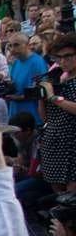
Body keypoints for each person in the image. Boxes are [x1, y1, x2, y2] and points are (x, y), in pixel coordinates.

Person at [39, 32, 76, 193]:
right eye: (58, 57)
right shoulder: (57, 80)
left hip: (73, 144)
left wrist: (53, 98)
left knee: (71, 199)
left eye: (67, 56)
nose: (62, 61)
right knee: (60, 199)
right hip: (54, 145)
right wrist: (42, 97)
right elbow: (46, 117)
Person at [6, 32, 49, 125]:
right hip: (16, 117)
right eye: (10, 46)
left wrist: (17, 98)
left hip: (32, 119)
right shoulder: (16, 62)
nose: (12, 49)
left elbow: (40, 92)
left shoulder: (37, 63)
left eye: (16, 45)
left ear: (27, 44)